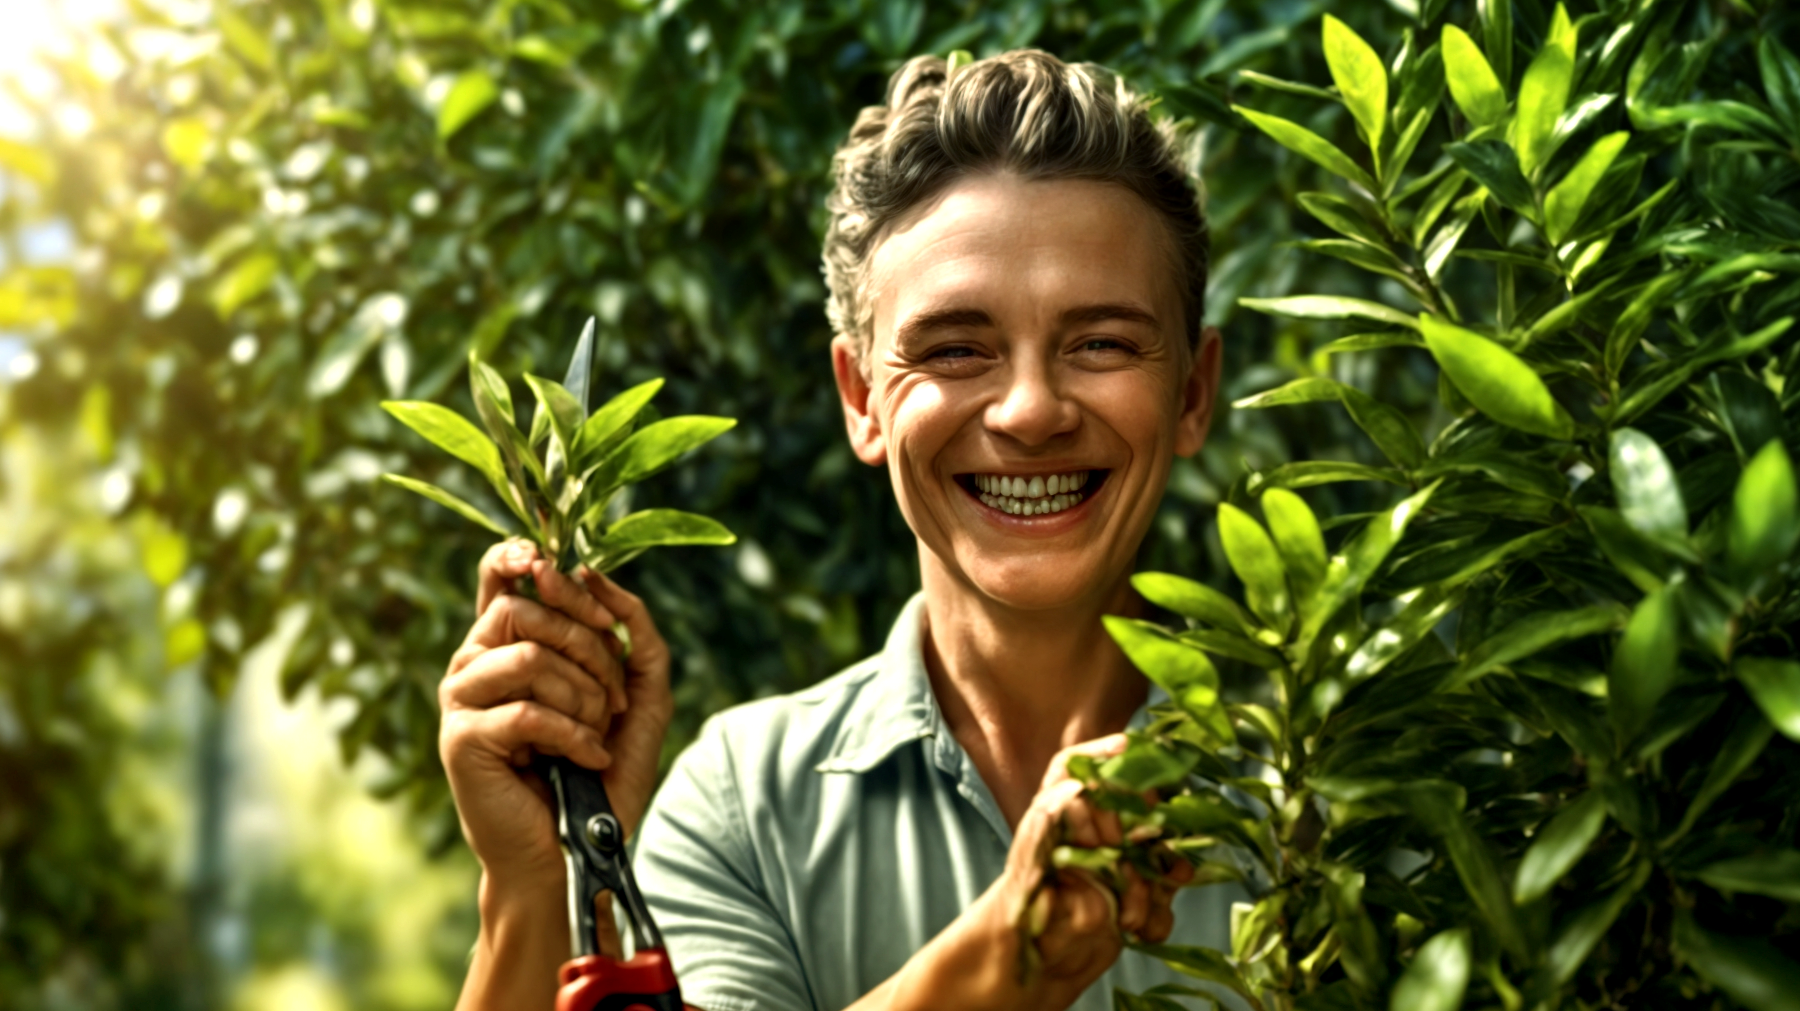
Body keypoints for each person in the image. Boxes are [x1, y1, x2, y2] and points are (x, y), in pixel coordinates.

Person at [440, 49, 1233, 1011]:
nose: (1030, 410)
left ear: (1192, 390)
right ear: (862, 399)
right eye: (956, 348)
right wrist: (532, 890)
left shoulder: (1345, 767)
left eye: (1101, 343)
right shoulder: (745, 805)